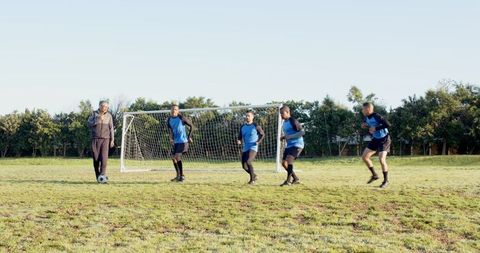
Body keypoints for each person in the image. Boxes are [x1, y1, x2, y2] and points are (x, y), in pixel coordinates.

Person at [361, 102, 392, 188]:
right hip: (375, 139)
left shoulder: (376, 116)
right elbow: (365, 124)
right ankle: (374, 175)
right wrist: (364, 126)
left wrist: (376, 128)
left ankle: (386, 181)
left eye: (363, 109)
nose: (362, 110)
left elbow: (388, 124)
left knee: (381, 159)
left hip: (384, 139)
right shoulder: (366, 117)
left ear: (368, 109)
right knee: (364, 157)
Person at [87, 100, 115, 184]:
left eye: (107, 107)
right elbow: (88, 124)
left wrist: (112, 140)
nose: (105, 108)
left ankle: (102, 177)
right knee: (96, 159)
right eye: (104, 106)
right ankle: (98, 177)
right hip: (95, 139)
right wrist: (98, 119)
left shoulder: (109, 116)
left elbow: (111, 128)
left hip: (106, 139)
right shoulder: (94, 114)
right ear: (99, 106)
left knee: (104, 159)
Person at [236, 110, 265, 185]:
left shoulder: (256, 126)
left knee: (249, 162)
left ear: (252, 117)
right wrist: (239, 140)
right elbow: (239, 136)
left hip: (253, 147)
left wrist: (258, 141)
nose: (247, 117)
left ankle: (252, 180)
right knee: (244, 166)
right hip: (245, 147)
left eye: (249, 116)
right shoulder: (243, 126)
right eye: (246, 116)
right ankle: (254, 175)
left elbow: (262, 134)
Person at [167, 105, 194, 182]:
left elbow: (192, 126)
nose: (173, 111)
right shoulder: (169, 120)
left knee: (177, 157)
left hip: (183, 141)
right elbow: (171, 130)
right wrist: (171, 138)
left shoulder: (181, 118)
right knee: (173, 158)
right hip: (176, 142)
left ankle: (182, 176)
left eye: (175, 109)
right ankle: (178, 176)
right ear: (170, 110)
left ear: (178, 111)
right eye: (172, 109)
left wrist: (189, 137)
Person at [279, 105, 305, 186]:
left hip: (297, 144)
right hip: (289, 145)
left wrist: (290, 136)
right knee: (284, 163)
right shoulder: (284, 123)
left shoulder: (293, 121)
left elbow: (302, 132)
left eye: (282, 113)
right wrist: (284, 137)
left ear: (287, 112)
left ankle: (288, 181)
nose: (281, 115)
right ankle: (296, 179)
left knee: (289, 161)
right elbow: (289, 134)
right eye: (280, 114)